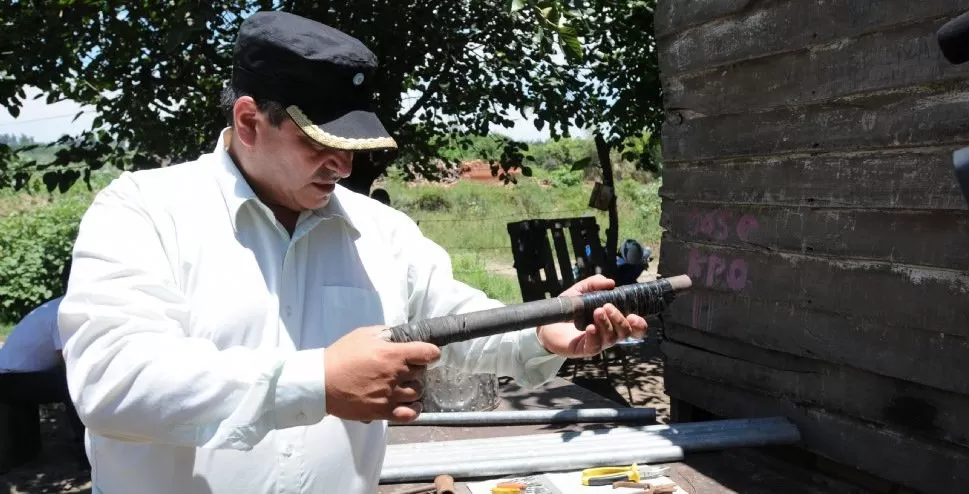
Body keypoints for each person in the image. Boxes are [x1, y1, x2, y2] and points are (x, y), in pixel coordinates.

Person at [57, 12, 647, 494]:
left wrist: (545, 330)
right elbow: (115, 381)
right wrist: (316, 380)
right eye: (320, 143)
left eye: (353, 147)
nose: (343, 166)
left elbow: (453, 319)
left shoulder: (378, 230)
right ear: (248, 120)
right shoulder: (144, 210)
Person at [0, 261, 86, 468]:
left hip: (13, 375)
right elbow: (67, 361)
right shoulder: (65, 312)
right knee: (74, 384)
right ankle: (85, 453)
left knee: (73, 379)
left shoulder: (61, 305)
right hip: (10, 380)